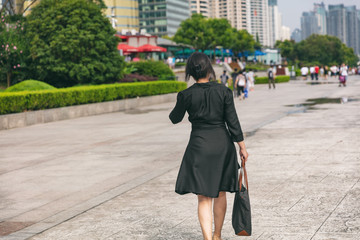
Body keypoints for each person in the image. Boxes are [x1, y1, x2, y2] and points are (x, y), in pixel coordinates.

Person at [169, 52, 249, 240]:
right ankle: (217, 235)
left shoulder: (186, 95)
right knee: (220, 193)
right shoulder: (223, 91)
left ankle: (207, 238)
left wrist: (182, 101)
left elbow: (174, 118)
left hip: (199, 147)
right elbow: (233, 123)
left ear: (190, 71)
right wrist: (242, 148)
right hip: (223, 146)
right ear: (209, 69)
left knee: (204, 197)